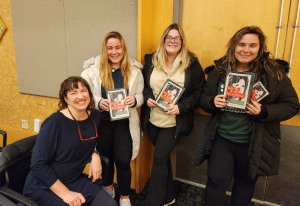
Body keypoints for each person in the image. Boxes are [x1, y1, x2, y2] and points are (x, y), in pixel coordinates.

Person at [192, 26, 300, 206]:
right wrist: (212, 102)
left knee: (244, 185)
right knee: (215, 184)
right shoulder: (219, 70)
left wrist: (263, 111)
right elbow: (203, 98)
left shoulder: (273, 74)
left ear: (260, 48)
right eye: (241, 44)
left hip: (254, 143)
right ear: (234, 45)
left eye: (252, 45)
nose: (246, 50)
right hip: (222, 140)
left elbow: (292, 105)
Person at [23, 76, 118, 206]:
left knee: (110, 204)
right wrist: (65, 193)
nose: (80, 96)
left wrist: (95, 154)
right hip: (46, 184)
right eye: (73, 93)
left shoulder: (95, 116)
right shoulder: (54, 122)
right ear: (65, 99)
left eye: (83, 91)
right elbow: (38, 165)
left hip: (74, 179)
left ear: (89, 95)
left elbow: (92, 140)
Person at [141, 23, 205, 206]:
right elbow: (144, 87)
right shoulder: (151, 60)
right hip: (153, 120)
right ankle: (168, 197)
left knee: (159, 158)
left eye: (177, 38)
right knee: (164, 160)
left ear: (182, 41)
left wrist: (182, 106)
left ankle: (153, 201)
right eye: (169, 37)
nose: (172, 41)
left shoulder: (191, 63)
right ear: (163, 40)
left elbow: (200, 91)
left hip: (175, 123)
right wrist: (147, 98)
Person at [81, 31, 144, 206]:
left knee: (123, 161)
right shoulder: (93, 70)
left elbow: (141, 95)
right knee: (105, 160)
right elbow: (84, 94)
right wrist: (98, 101)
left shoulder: (134, 71)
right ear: (104, 49)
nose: (114, 52)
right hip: (102, 123)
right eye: (110, 48)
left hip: (124, 124)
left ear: (123, 49)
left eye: (118, 47)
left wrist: (135, 100)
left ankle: (125, 197)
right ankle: (108, 189)